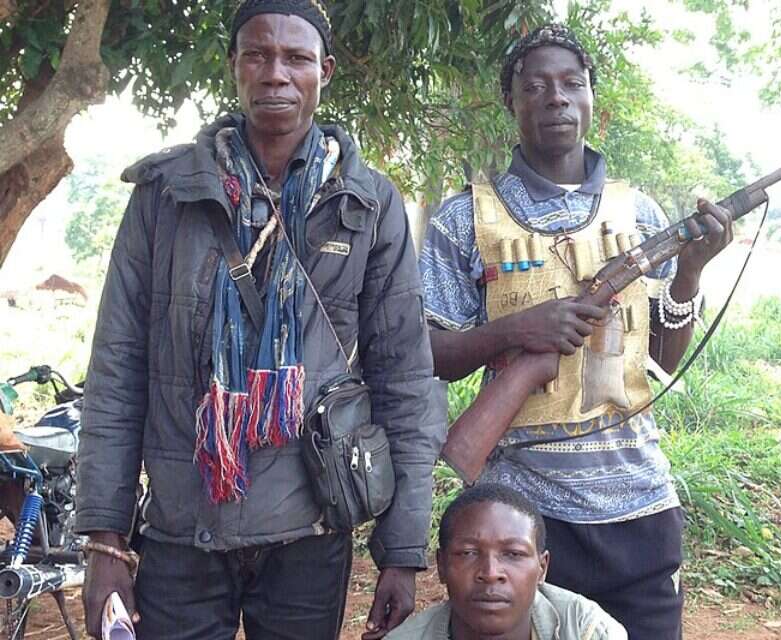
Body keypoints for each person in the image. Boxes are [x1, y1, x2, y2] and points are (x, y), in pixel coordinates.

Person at [76, 1, 445, 638]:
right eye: (258, 55)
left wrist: (402, 552)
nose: (276, 73)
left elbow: (404, 377)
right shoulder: (166, 195)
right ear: (234, 66)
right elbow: (117, 367)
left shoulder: (365, 203)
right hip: (181, 528)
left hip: (310, 529)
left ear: (325, 71)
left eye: (296, 58)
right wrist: (105, 541)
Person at [418, 25, 734, 639]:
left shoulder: (639, 212)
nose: (556, 98)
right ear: (510, 102)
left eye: (572, 83)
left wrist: (690, 272)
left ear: (591, 97)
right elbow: (432, 352)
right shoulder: (465, 217)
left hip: (639, 503)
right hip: (522, 519)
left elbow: (662, 361)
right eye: (535, 86)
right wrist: (520, 330)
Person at [387, 483, 627, 640]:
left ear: (542, 568)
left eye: (513, 554)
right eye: (468, 553)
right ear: (441, 566)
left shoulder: (586, 630)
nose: (491, 573)